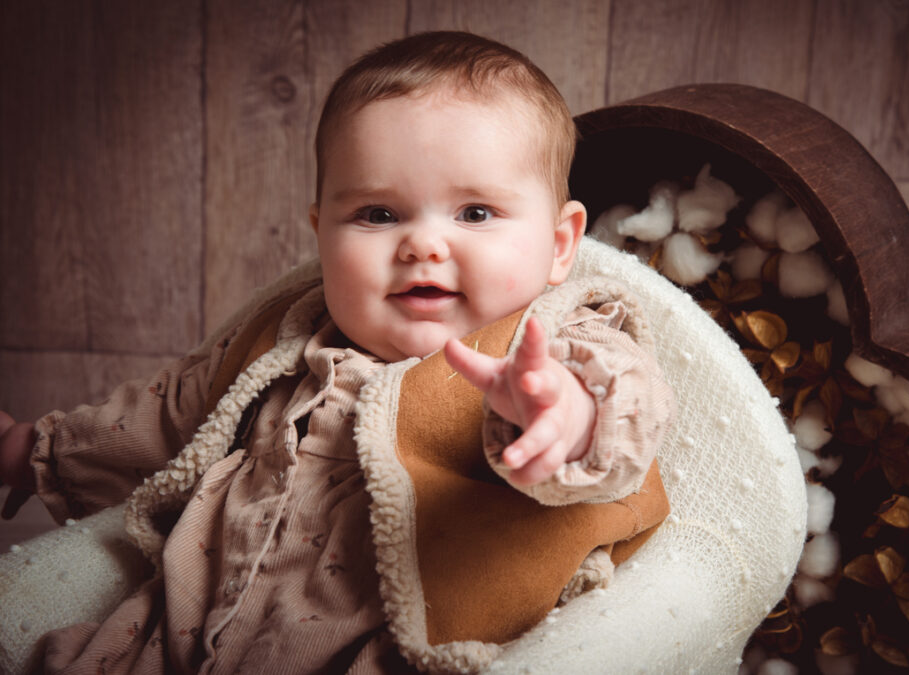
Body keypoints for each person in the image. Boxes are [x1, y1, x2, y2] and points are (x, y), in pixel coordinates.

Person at [0, 31, 674, 673]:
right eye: (379, 214)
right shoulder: (292, 337)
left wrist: (567, 416)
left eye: (474, 213)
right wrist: (29, 449)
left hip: (395, 651)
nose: (423, 245)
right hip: (178, 637)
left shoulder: (556, 339)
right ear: (322, 234)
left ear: (560, 244)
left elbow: (625, 401)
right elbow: (168, 417)